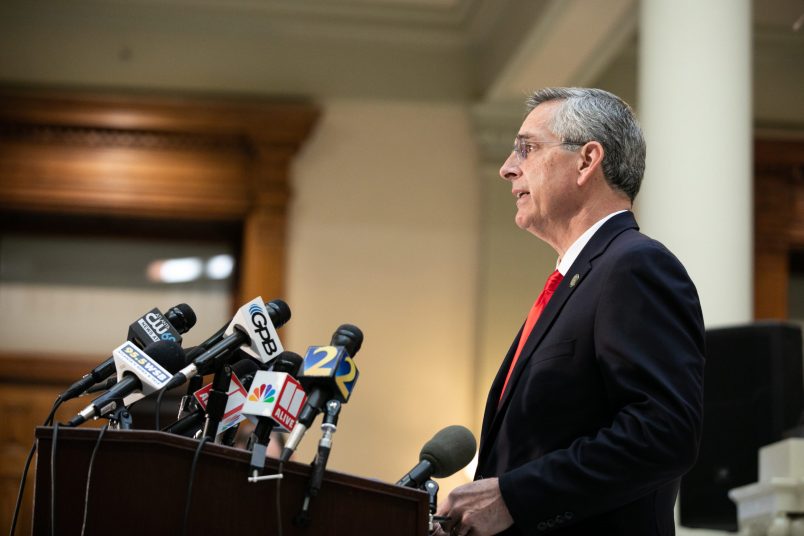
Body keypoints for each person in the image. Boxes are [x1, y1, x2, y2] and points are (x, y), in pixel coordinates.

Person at [434, 88, 705, 536]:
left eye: (527, 148)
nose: (507, 168)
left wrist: (515, 497)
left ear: (587, 160)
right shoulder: (577, 280)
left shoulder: (634, 265)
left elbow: (663, 433)